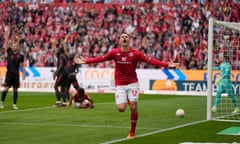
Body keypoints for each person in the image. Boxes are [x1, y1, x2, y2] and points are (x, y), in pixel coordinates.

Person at [74, 33, 178, 139]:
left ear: (129, 41)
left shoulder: (136, 54)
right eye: (122, 37)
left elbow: (150, 61)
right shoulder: (114, 52)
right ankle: (128, 100)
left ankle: (132, 132)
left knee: (133, 107)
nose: (124, 38)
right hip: (120, 84)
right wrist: (86, 61)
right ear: (119, 41)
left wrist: (166, 64)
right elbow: (101, 58)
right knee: (121, 108)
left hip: (133, 83)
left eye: (126, 37)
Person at [0, 25, 26, 110]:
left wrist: (23, 73)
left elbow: (22, 65)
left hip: (16, 75)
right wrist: (7, 33)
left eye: (16, 45)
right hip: (9, 74)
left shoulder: (20, 55)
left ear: (17, 47)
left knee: (15, 90)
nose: (14, 46)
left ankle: (14, 104)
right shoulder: (9, 51)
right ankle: (2, 102)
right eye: (13, 45)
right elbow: (7, 42)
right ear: (12, 46)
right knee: (6, 89)